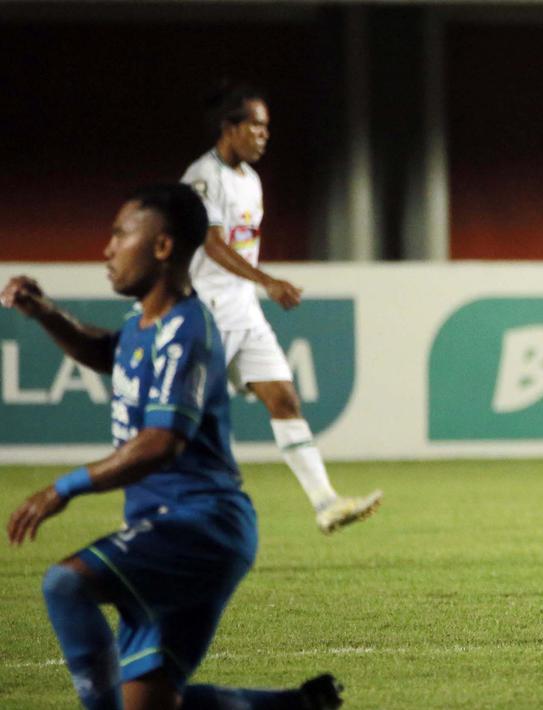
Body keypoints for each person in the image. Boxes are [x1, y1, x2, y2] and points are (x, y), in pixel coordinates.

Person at [2, 184, 344, 708]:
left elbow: (162, 442)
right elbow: (105, 353)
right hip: (186, 528)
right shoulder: (145, 325)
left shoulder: (187, 329)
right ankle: (296, 705)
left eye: (120, 234)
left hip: (197, 526)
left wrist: (62, 488)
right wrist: (45, 311)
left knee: (64, 585)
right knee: (153, 704)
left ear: (162, 247)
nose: (107, 249)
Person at [182, 83, 380, 533]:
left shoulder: (250, 181)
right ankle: (169, 510)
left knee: (284, 398)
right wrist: (268, 280)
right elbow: (211, 245)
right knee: (193, 418)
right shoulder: (201, 177)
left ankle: (326, 503)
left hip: (243, 308)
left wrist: (256, 286)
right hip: (207, 310)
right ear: (229, 127)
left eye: (266, 127)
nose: (263, 135)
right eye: (255, 125)